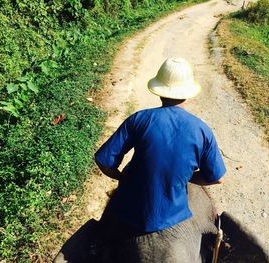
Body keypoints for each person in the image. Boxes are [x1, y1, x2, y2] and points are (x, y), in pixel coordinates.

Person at [94, 57, 226, 234]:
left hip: (128, 209)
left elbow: (104, 161)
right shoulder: (202, 130)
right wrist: (188, 178)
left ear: (159, 92)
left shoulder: (139, 119)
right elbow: (216, 178)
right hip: (174, 215)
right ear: (187, 93)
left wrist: (122, 179)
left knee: (96, 238)